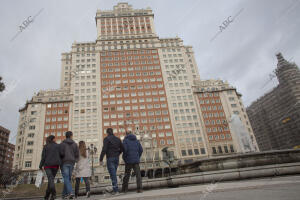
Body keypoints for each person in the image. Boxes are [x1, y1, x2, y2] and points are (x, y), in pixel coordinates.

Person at [99, 128, 124, 194]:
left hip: (110, 158)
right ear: (112, 132)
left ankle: (116, 190)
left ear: (107, 133)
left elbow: (104, 149)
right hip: (116, 158)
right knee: (113, 174)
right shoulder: (118, 139)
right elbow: (122, 148)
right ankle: (114, 188)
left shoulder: (106, 139)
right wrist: (118, 153)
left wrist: (101, 159)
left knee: (113, 174)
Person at [39, 135, 61, 200]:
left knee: (50, 179)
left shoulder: (46, 146)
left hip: (48, 165)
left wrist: (40, 166)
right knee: (51, 180)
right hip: (56, 166)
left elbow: (43, 157)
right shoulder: (58, 146)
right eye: (55, 139)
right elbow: (61, 155)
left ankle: (54, 193)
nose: (56, 140)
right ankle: (46, 196)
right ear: (53, 139)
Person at [60, 131, 79, 199]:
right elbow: (77, 154)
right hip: (71, 162)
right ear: (71, 136)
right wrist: (75, 160)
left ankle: (70, 192)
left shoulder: (62, 144)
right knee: (67, 178)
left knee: (66, 178)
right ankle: (64, 195)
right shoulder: (75, 144)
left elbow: (61, 153)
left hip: (64, 162)